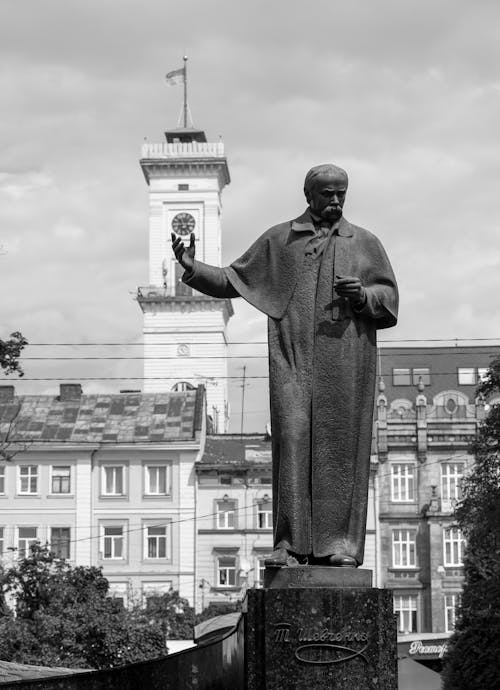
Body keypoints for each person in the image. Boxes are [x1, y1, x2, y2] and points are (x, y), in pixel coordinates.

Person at [172, 164, 398, 568]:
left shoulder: (365, 243)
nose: (334, 202)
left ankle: (339, 546)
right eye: (327, 194)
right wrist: (192, 268)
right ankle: (290, 544)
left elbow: (389, 297)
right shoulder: (281, 239)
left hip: (344, 362)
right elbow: (232, 280)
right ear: (308, 195)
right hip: (292, 358)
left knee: (339, 449)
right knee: (291, 440)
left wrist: (362, 294)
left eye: (340, 194)